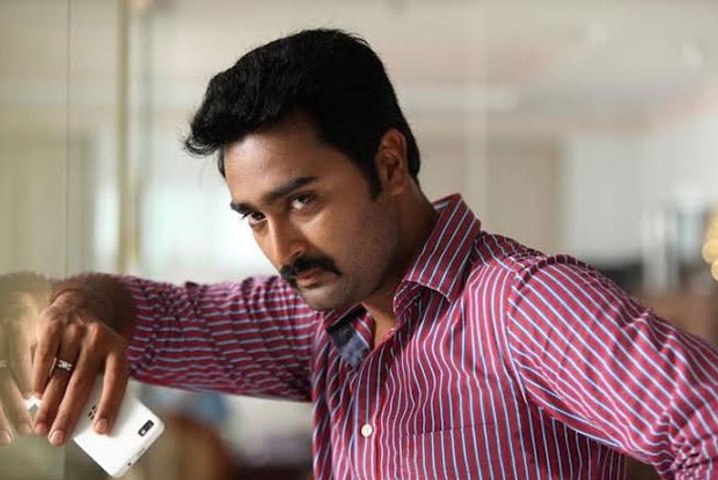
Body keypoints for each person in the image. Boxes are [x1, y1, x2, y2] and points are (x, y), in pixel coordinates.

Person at [2, 28, 718, 479]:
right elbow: (156, 317)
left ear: (389, 163)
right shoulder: (316, 316)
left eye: (302, 201)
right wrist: (79, 306)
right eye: (255, 218)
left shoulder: (526, 306)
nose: (282, 249)